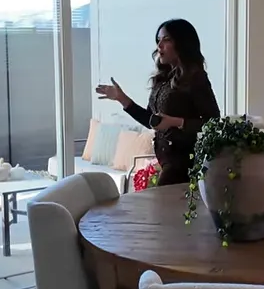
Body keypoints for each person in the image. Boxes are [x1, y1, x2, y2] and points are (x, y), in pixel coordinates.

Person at [95, 19, 221, 187]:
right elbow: (151, 120)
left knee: (160, 201)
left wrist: (176, 122)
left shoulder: (196, 77)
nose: (159, 46)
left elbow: (213, 122)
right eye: (158, 40)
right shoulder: (163, 79)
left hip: (184, 162)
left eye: (166, 40)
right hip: (165, 159)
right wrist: (121, 98)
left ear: (182, 43)